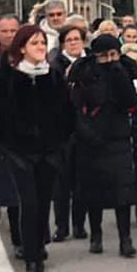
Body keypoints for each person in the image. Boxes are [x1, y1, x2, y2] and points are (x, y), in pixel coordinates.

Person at [0, 25, 74, 272]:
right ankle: (32, 265)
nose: (39, 47)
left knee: (42, 204)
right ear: (22, 47)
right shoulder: (9, 79)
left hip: (48, 154)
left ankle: (38, 248)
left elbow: (67, 115)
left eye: (42, 43)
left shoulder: (54, 77)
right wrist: (9, 145)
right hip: (19, 154)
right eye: (34, 43)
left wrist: (59, 145)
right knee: (29, 203)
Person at [68, 34, 137, 258]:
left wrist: (119, 73)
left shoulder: (125, 69)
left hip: (118, 139)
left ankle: (125, 239)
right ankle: (95, 235)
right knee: (92, 190)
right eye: (103, 56)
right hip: (90, 140)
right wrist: (86, 132)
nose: (109, 59)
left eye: (113, 54)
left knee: (123, 191)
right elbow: (74, 107)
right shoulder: (83, 72)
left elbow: (131, 101)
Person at [50, 25, 89, 242]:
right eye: (69, 39)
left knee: (82, 180)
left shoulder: (90, 63)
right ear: (63, 43)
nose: (74, 43)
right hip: (63, 130)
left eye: (77, 39)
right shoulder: (55, 66)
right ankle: (61, 226)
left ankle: (79, 224)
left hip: (86, 127)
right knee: (62, 182)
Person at [0, 15, 22, 246]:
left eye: (13, 30)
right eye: (5, 31)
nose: (9, 34)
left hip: (29, 132)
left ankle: (29, 243)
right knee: (6, 181)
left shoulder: (31, 54)